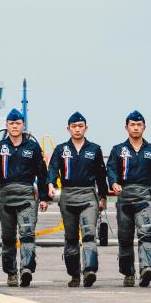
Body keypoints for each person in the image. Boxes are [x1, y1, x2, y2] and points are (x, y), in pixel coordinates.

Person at [0, 109, 49, 287]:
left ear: (23, 125)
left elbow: (42, 174)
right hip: (5, 196)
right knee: (8, 237)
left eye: (18, 123)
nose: (15, 126)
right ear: (7, 126)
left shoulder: (33, 147)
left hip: (27, 196)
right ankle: (11, 272)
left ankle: (26, 268)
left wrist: (43, 197)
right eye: (11, 123)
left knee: (27, 234)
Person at [47, 111, 107, 288]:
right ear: (68, 129)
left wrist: (102, 196)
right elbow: (52, 169)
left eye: (80, 126)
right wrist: (50, 184)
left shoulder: (94, 149)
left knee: (89, 235)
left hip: (89, 196)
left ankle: (89, 270)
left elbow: (101, 176)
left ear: (86, 128)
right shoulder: (61, 149)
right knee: (71, 238)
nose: (77, 129)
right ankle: (74, 274)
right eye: (74, 126)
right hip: (68, 196)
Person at [106, 110, 151, 287]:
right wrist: (114, 183)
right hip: (124, 198)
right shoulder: (118, 150)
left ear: (144, 127)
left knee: (146, 235)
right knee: (125, 238)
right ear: (126, 127)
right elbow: (111, 169)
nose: (136, 128)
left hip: (145, 198)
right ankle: (128, 273)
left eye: (139, 125)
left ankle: (147, 268)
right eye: (132, 124)